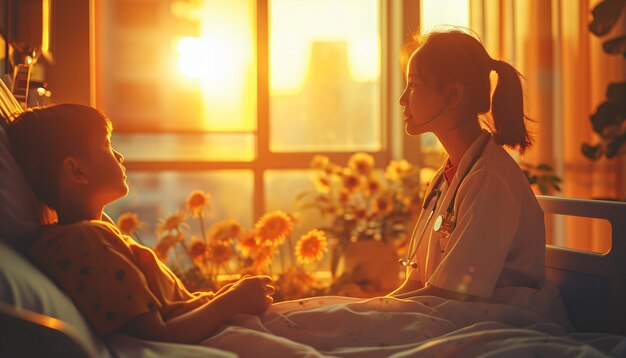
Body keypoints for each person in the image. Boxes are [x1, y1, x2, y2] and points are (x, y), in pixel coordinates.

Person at [8, 103, 276, 344]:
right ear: (76, 171)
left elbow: (171, 309)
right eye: (106, 145)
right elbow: (158, 336)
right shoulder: (86, 242)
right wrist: (231, 302)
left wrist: (223, 297)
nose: (119, 156)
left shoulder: (97, 232)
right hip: (212, 338)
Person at [388, 29, 568, 324]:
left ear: (453, 95)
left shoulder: (491, 180)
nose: (402, 99)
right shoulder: (447, 178)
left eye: (413, 85)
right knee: (334, 318)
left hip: (501, 323)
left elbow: (454, 296)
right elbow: (416, 284)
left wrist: (368, 313)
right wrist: (368, 308)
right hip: (447, 313)